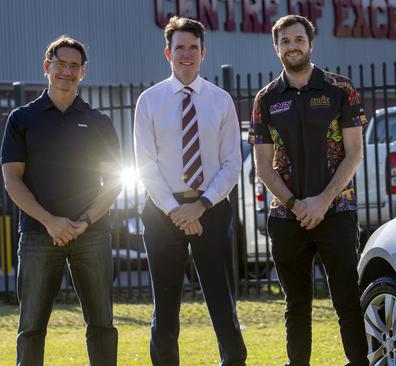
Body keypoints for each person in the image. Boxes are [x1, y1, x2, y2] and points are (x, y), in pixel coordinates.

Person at [249, 14, 369, 366]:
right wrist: (296, 204)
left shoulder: (340, 89)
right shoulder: (266, 99)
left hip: (337, 211)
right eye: (285, 41)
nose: (292, 46)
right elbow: (262, 166)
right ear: (276, 48)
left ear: (311, 44)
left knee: (347, 298)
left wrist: (322, 201)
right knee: (296, 304)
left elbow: (355, 154)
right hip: (287, 218)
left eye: (298, 39)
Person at [1, 35, 121, 366]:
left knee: (101, 325)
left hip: (91, 235)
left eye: (73, 66)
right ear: (46, 67)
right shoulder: (22, 119)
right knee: (31, 328)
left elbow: (114, 182)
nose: (66, 72)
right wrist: (50, 221)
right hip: (39, 235)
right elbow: (12, 179)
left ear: (83, 72)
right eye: (59, 65)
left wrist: (83, 222)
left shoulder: (99, 121)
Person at [134, 16, 247, 366]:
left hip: (211, 211)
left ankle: (234, 361)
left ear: (203, 52)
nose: (186, 54)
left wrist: (199, 207)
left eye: (193, 48)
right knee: (165, 307)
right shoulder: (149, 102)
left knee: (221, 300)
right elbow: (145, 165)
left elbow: (231, 163)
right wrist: (175, 211)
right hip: (161, 212)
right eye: (179, 47)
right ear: (167, 52)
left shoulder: (221, 100)